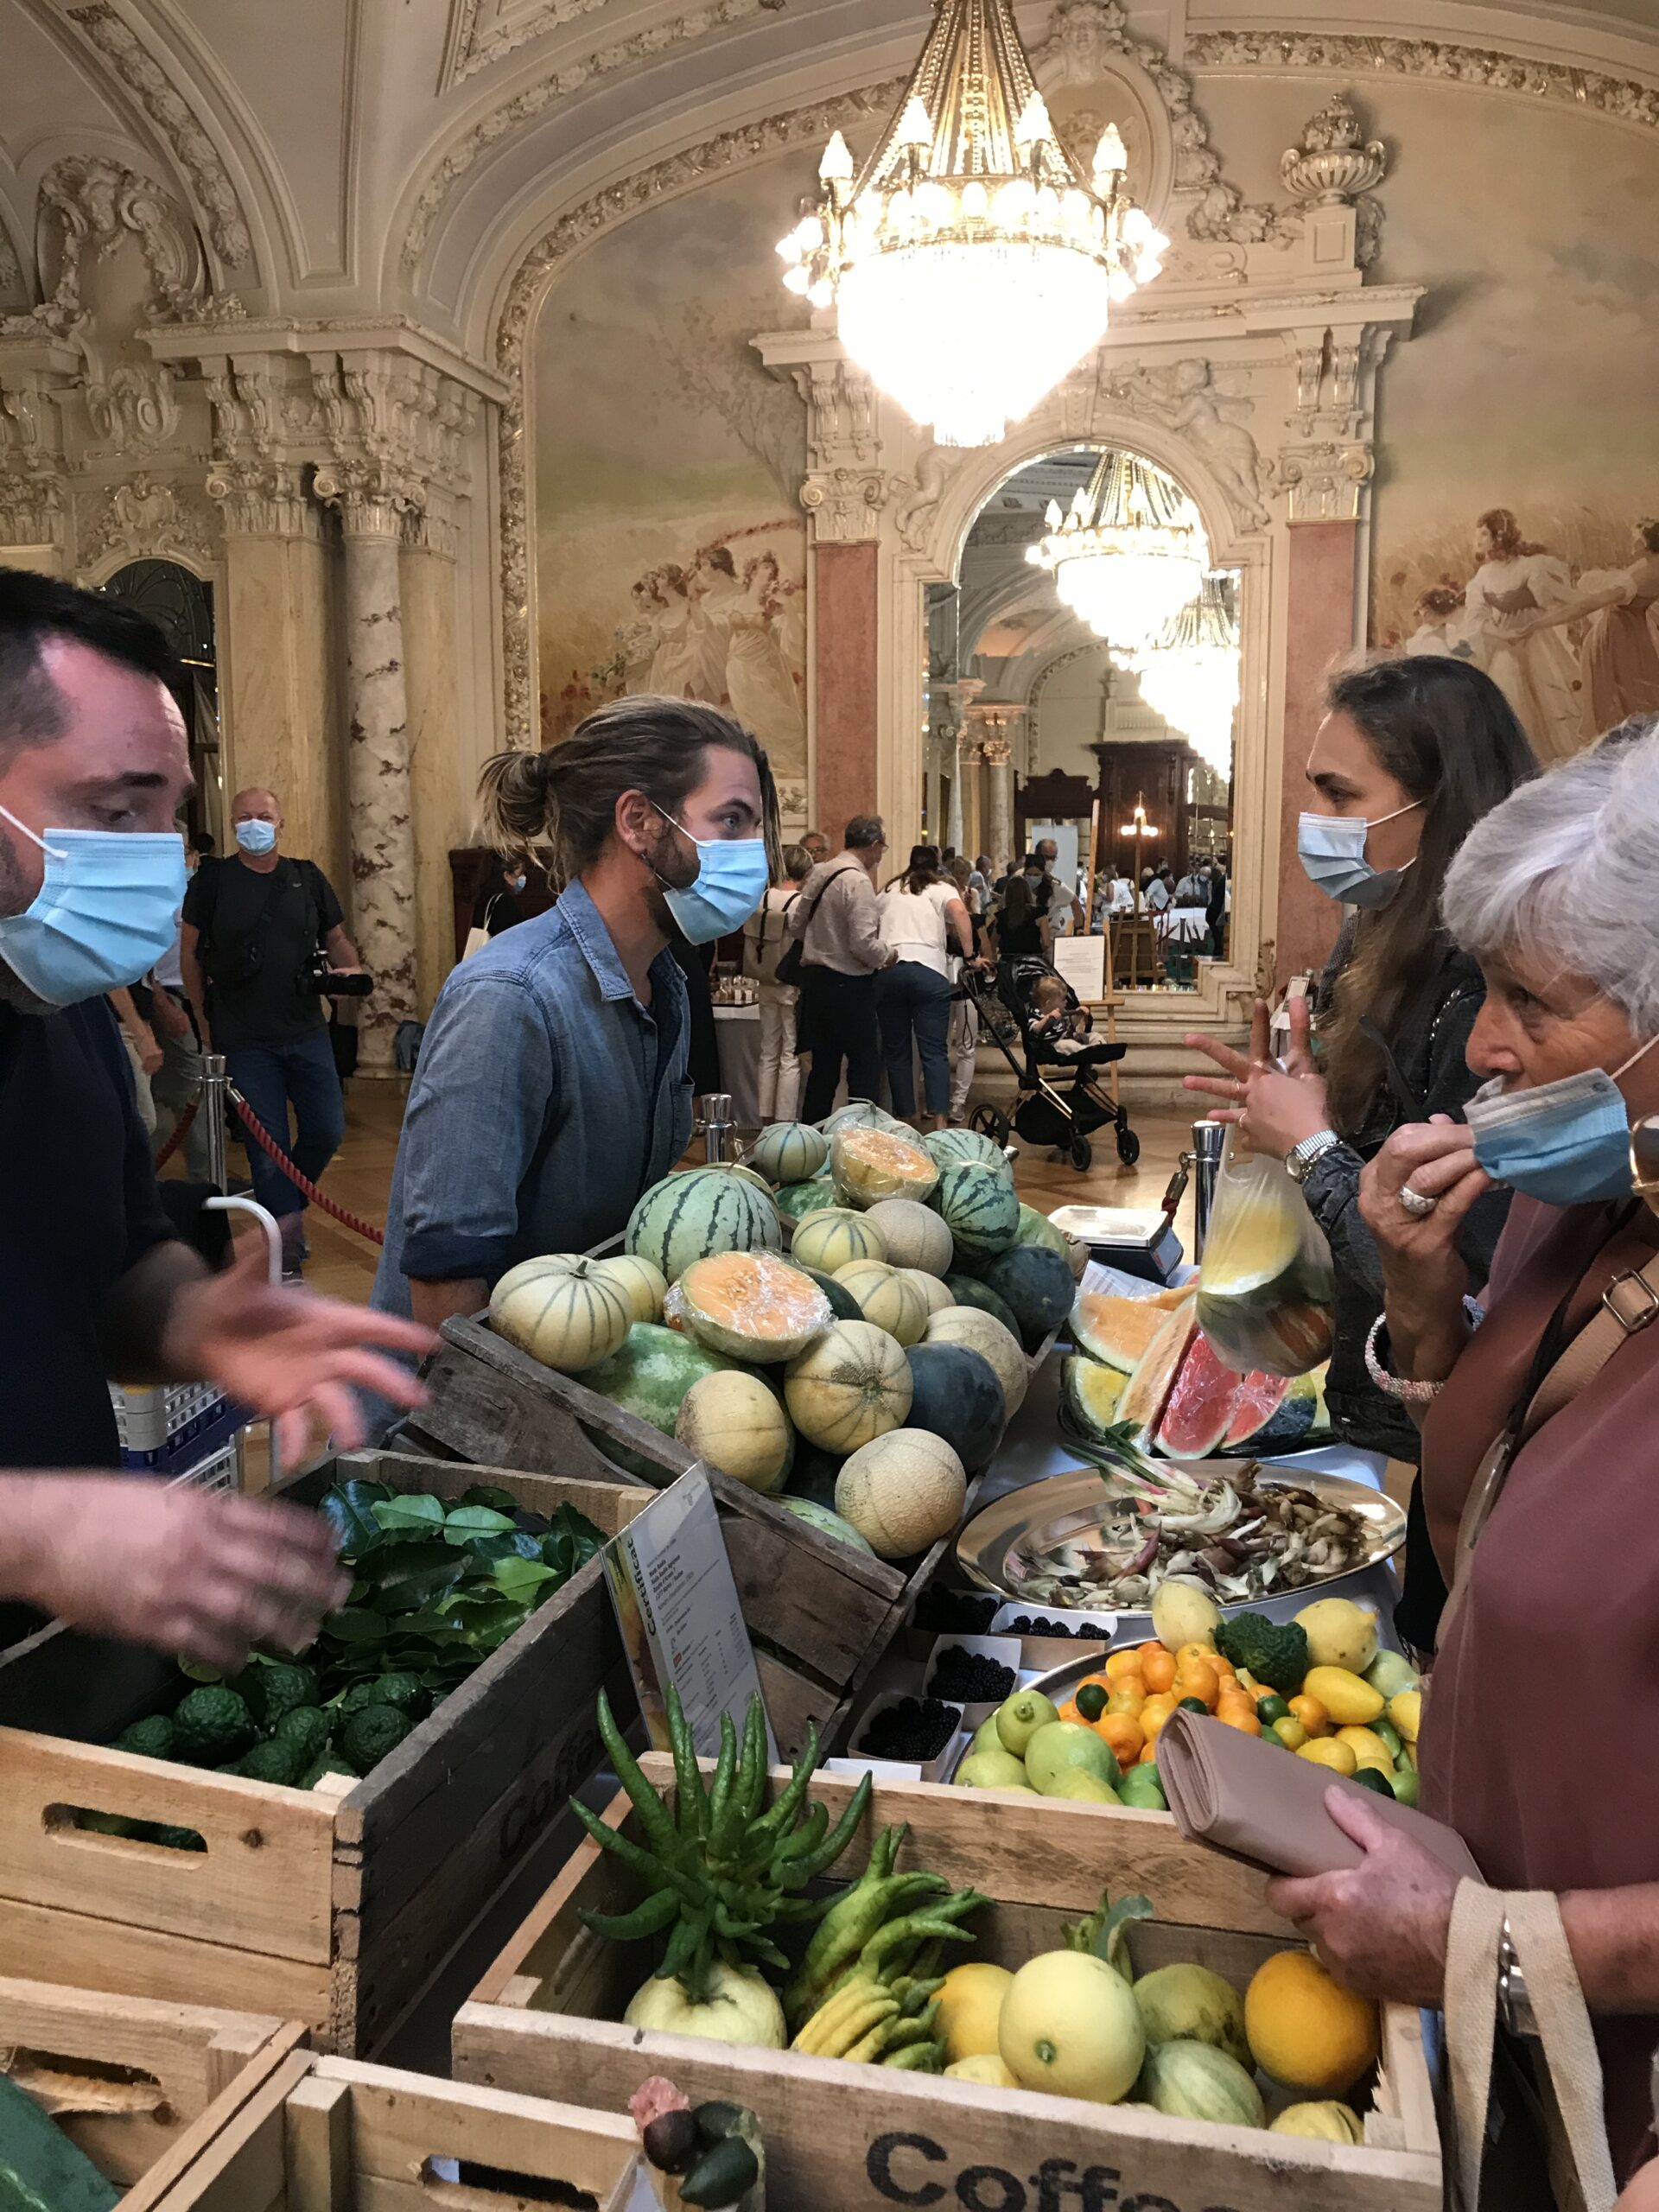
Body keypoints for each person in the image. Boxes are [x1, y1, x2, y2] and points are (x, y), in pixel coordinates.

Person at [1266, 721, 1659, 2194]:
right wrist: (1427, 1304)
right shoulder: (1594, 1187)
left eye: (1531, 1002)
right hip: (1505, 2036)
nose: (1486, 1047)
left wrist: (1484, 1944)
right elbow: (1488, 1513)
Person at [0, 568, 430, 1669]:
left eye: (171, 814)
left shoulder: (56, 997)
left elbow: (108, 1265)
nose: (159, 854)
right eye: (115, 812)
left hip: (53, 1650)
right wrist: (34, 1532)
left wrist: (191, 1319)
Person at [1183, 656, 1536, 1651]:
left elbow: (1464, 1277)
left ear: (1441, 799)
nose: (1317, 820)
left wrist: (1313, 1146)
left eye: (1341, 795)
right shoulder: (1383, 931)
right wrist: (1305, 1096)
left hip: (1482, 1426)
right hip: (1412, 1410)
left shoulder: (1489, 986)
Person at [373, 697, 776, 1344]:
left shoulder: (665, 982)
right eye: (731, 820)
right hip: (480, 1388)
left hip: (583, 1348)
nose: (753, 853)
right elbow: (447, 1280)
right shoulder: (509, 996)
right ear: (639, 821)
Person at [181, 788, 361, 1279]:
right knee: (268, 1149)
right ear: (232, 824)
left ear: (281, 823)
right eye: (244, 817)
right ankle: (286, 1251)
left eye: (263, 816)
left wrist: (352, 976)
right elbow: (189, 953)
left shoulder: (306, 876)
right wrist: (202, 1020)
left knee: (326, 1129)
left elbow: (336, 939)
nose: (254, 824)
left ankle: (283, 1212)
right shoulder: (214, 881)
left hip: (306, 1029)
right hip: (244, 1036)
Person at [787, 814, 893, 1122]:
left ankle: (811, 1136)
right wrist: (888, 954)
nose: (880, 855)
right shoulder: (858, 881)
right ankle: (860, 1136)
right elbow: (863, 944)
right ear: (873, 844)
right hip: (850, 988)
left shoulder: (821, 872)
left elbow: (796, 925)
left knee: (822, 1071)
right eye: (882, 848)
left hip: (816, 984)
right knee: (863, 1069)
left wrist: (823, 942)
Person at [1462, 506, 1584, 763]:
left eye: (1484, 534)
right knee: (1513, 698)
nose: (1478, 540)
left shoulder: (1529, 566)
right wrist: (1502, 634)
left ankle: (1563, 760)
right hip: (1505, 642)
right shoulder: (1483, 575)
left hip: (1536, 638)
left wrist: (1535, 626)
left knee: (1549, 696)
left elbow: (1552, 601)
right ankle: (1528, 763)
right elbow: (1476, 617)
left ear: (1500, 536)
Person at [876, 845, 973, 1130]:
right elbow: (960, 913)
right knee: (934, 1052)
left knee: (897, 1052)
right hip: (929, 972)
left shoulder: (890, 888)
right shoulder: (941, 888)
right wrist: (969, 955)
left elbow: (869, 918)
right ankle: (940, 1122)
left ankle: (907, 1119)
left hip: (890, 970)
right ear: (936, 866)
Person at [744, 841, 809, 1122]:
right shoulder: (799, 903)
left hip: (763, 978)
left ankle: (765, 1118)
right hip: (790, 982)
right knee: (790, 1054)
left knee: (768, 1050)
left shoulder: (761, 898)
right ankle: (785, 1119)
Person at [993, 871, 1050, 965]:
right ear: (1027, 892)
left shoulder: (1001, 916)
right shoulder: (1039, 914)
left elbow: (993, 943)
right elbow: (1047, 943)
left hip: (1008, 964)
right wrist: (1037, 951)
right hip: (1032, 964)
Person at [1033, 837, 1085, 933]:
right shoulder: (1020, 878)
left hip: (1050, 934)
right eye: (1046, 857)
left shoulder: (1054, 885)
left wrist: (1078, 928)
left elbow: (1074, 901)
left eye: (1053, 858)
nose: (1049, 862)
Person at [472, 856, 530, 941]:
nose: (523, 878)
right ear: (506, 875)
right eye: (519, 874)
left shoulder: (485, 897)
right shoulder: (505, 901)